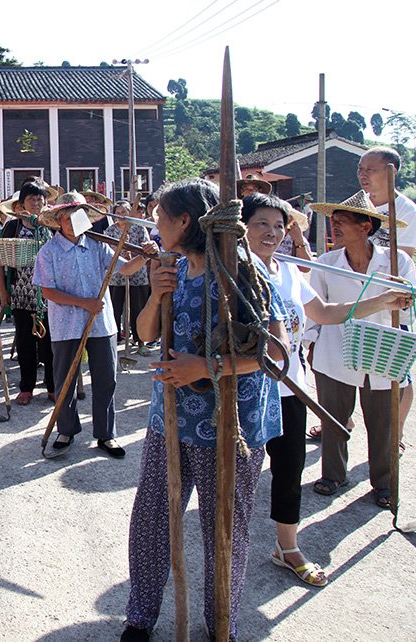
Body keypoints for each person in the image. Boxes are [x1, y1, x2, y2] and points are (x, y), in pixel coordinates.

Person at [121, 178, 289, 642]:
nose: (154, 224)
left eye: (159, 217)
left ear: (184, 221)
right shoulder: (171, 270)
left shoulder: (242, 274)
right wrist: (156, 294)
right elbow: (146, 333)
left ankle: (220, 627)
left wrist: (205, 367)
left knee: (223, 532)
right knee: (152, 520)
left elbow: (275, 354)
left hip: (229, 428)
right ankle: (140, 617)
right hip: (169, 420)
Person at [241, 192, 412, 587]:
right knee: (239, 475)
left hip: (291, 391)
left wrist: (382, 300)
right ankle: (229, 547)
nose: (272, 232)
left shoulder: (288, 272)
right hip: (246, 391)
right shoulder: (233, 272)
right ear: (242, 227)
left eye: (279, 225)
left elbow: (325, 313)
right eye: (262, 223)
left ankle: (287, 547)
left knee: (289, 471)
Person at [304, 191, 416, 509]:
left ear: (366, 226)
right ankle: (333, 475)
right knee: (334, 420)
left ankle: (384, 482)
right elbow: (315, 311)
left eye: (341, 221)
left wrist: (403, 298)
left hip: (381, 352)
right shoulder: (326, 264)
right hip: (334, 351)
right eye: (333, 221)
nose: (334, 227)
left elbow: (407, 313)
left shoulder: (397, 262)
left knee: (383, 423)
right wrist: (310, 344)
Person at [33, 192, 156, 459]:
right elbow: (48, 291)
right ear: (58, 221)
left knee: (106, 378)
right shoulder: (48, 252)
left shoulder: (98, 246)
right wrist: (83, 303)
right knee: (65, 378)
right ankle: (66, 430)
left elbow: (126, 268)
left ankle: (106, 434)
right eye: (66, 218)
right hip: (66, 325)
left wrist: (146, 256)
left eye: (76, 217)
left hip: (101, 324)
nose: (71, 223)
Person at [356, 145, 416, 451]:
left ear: (391, 172)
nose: (363, 174)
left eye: (370, 169)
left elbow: (402, 260)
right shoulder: (357, 203)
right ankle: (345, 420)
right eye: (360, 168)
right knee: (351, 364)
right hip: (356, 295)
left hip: (390, 301)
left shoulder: (406, 210)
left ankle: (396, 432)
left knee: (396, 369)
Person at [0, 179, 55, 405]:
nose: (36, 203)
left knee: (50, 343)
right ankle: (26, 387)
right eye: (31, 199)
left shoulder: (53, 226)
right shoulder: (13, 227)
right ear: (22, 203)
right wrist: (2, 290)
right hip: (21, 293)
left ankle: (52, 386)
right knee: (25, 341)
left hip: (50, 294)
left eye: (40, 199)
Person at [103, 201, 152, 356]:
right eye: (118, 212)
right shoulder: (110, 230)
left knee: (138, 309)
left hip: (137, 276)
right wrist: (120, 252)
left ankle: (140, 341)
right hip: (116, 277)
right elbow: (106, 251)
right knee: (115, 310)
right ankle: (113, 342)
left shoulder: (139, 228)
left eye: (124, 212)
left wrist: (132, 254)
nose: (121, 215)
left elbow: (146, 249)